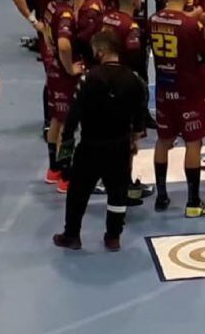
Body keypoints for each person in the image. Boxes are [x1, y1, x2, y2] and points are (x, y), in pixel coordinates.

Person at [53, 31, 148, 252]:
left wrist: (64, 155)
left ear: (101, 51)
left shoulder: (89, 78)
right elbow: (141, 115)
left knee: (78, 192)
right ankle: (113, 237)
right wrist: (134, 140)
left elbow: (72, 118)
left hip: (91, 145)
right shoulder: (134, 79)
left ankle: (72, 235)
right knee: (117, 193)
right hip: (119, 145)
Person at [150, 0, 205, 217]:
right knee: (193, 143)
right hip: (188, 91)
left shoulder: (153, 20)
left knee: (163, 140)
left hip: (162, 89)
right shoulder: (191, 25)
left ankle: (161, 196)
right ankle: (193, 203)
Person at [11, 0, 84, 140]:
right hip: (50, 31)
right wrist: (34, 21)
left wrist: (76, 14)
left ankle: (67, 117)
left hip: (69, 27)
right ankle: (49, 120)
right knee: (53, 76)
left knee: (71, 76)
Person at [101, 0, 154, 202]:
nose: (142, 1)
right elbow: (134, 55)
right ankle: (125, 184)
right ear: (134, 1)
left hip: (105, 81)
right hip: (125, 85)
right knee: (130, 137)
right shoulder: (131, 26)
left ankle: (105, 179)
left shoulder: (108, 18)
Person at [43, 0, 85, 193]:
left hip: (52, 70)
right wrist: (70, 68)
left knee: (56, 120)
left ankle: (53, 169)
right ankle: (66, 177)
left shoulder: (51, 6)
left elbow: (44, 30)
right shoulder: (66, 14)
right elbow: (65, 45)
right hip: (64, 74)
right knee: (67, 125)